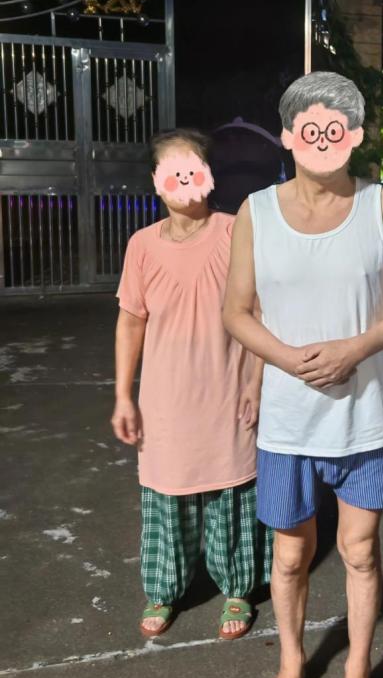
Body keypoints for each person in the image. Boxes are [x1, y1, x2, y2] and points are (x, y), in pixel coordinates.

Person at [223, 71, 383, 678]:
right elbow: (236, 311)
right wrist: (285, 359)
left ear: (355, 135)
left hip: (364, 415)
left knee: (360, 551)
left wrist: (356, 348)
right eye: (308, 127)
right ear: (287, 137)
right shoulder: (256, 211)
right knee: (290, 556)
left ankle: (358, 674)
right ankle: (290, 663)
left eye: (335, 127)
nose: (321, 138)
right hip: (288, 421)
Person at [111, 128, 271, 640]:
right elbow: (131, 322)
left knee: (232, 494)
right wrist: (123, 396)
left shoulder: (235, 232)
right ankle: (164, 589)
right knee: (167, 495)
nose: (183, 180)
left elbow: (261, 312)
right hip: (165, 401)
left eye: (193, 169)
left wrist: (255, 383)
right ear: (156, 181)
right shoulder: (141, 245)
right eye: (172, 171)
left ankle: (238, 588)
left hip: (227, 394)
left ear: (208, 175)